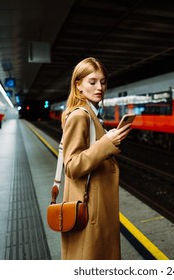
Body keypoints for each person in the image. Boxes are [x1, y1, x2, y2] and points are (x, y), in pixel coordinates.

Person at [60, 57, 131, 260]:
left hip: (95, 202)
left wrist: (108, 140)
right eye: (92, 82)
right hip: (90, 205)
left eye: (103, 81)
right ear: (78, 85)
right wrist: (107, 143)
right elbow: (72, 166)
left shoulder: (91, 114)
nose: (99, 87)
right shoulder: (80, 116)